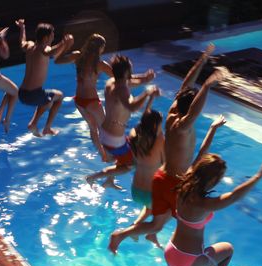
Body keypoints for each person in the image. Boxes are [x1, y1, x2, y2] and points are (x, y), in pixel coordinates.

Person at [108, 44, 228, 252]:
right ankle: (124, 235)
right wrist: (208, 85)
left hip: (161, 176)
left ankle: (138, 235)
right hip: (173, 183)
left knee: (158, 222)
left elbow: (186, 84)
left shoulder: (173, 113)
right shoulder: (183, 127)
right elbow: (193, 112)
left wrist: (202, 59)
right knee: (180, 222)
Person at [128, 152, 262, 266]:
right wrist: (258, 176)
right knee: (228, 250)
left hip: (171, 251)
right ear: (212, 181)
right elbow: (234, 196)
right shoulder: (203, 203)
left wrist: (212, 131)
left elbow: (198, 161)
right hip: (188, 259)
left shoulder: (182, 187)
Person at [85, 54, 158, 190]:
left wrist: (145, 78)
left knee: (130, 147)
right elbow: (132, 107)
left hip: (107, 134)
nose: (132, 72)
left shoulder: (111, 82)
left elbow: (130, 81)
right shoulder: (122, 90)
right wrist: (147, 93)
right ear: (125, 72)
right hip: (114, 139)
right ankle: (93, 177)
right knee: (131, 164)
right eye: (130, 70)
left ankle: (109, 181)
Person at [55, 34, 113, 161]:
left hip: (79, 101)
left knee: (93, 127)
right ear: (100, 48)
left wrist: (66, 47)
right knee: (106, 131)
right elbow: (118, 78)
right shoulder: (101, 64)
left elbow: (57, 60)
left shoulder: (77, 56)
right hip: (92, 101)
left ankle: (102, 154)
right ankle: (109, 156)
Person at [16, 19, 73, 137]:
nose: (53, 37)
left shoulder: (29, 45)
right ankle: (46, 127)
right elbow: (50, 52)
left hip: (21, 93)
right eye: (52, 35)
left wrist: (22, 28)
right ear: (46, 37)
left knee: (50, 97)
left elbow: (22, 41)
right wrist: (63, 43)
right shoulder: (44, 49)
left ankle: (34, 124)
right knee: (56, 98)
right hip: (33, 95)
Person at [125, 96, 164, 227]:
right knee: (160, 211)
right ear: (155, 126)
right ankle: (136, 232)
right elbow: (167, 165)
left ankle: (135, 225)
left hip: (135, 190)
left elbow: (143, 121)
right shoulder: (159, 142)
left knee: (149, 207)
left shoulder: (133, 135)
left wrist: (151, 99)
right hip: (150, 193)